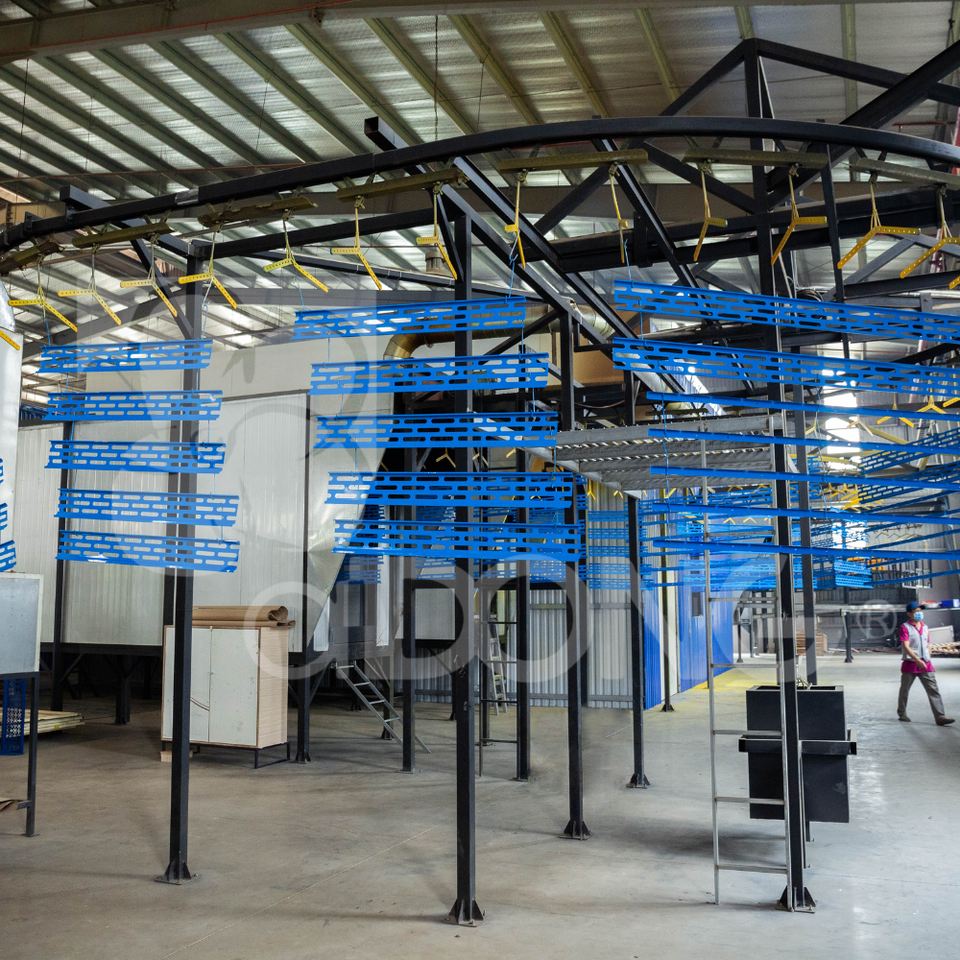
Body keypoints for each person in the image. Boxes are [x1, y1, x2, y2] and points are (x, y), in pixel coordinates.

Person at [898, 601, 954, 725]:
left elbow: (927, 644)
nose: (919, 613)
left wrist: (928, 656)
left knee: (933, 690)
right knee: (905, 690)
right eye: (916, 611)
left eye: (920, 611)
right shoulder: (905, 627)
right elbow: (906, 646)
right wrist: (917, 659)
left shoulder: (925, 627)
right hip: (911, 663)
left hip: (926, 663)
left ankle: (940, 717)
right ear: (909, 614)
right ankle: (902, 714)